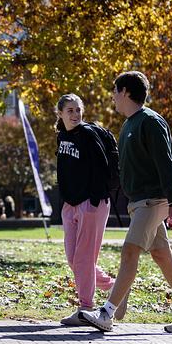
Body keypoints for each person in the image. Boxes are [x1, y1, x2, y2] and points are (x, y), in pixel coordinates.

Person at [80, 71, 172, 334]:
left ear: (125, 91)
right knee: (162, 256)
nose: (113, 97)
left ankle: (106, 313)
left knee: (129, 251)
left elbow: (166, 162)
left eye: (115, 91)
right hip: (139, 202)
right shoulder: (128, 124)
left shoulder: (149, 121)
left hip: (153, 200)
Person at [53, 93, 118, 326]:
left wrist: (93, 198)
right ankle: (116, 286)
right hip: (70, 205)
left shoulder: (89, 135)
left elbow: (103, 169)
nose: (75, 115)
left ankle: (85, 308)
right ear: (60, 113)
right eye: (69, 110)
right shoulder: (61, 137)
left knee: (83, 258)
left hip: (92, 203)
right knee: (74, 259)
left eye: (78, 110)